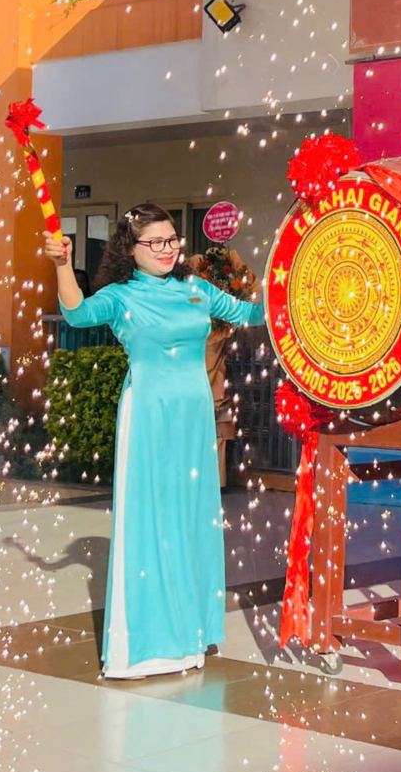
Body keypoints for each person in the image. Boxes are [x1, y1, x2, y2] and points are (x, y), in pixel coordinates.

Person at [43, 204, 261, 679]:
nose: (167, 249)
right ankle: (144, 646)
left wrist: (298, 285)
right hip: (148, 418)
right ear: (130, 248)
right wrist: (62, 264)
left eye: (172, 240)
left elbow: (250, 313)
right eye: (155, 242)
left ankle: (190, 634)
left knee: (193, 519)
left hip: (195, 420)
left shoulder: (196, 289)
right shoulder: (121, 296)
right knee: (151, 520)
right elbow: (77, 313)